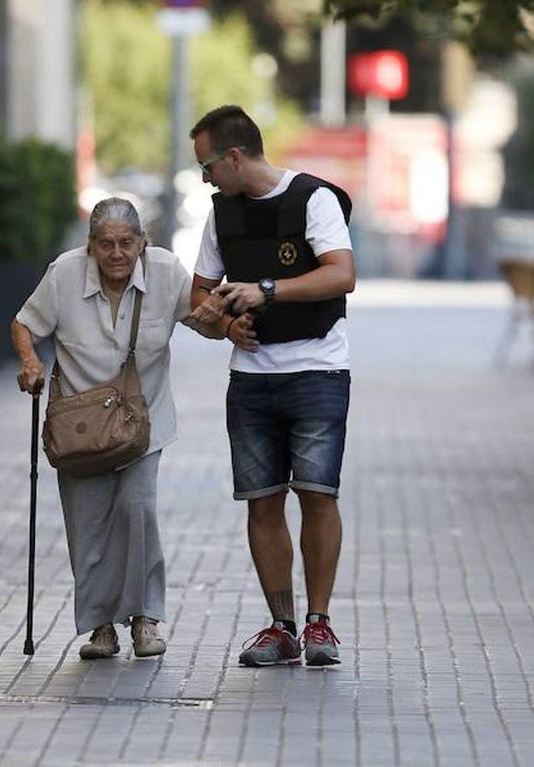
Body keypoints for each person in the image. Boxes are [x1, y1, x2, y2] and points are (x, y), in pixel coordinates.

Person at [187, 105, 355, 667]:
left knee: (318, 494)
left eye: (208, 166)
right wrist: (224, 325)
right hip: (251, 380)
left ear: (234, 157)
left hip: (317, 369)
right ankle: (281, 627)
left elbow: (341, 273)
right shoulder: (221, 215)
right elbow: (198, 294)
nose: (205, 179)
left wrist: (266, 290)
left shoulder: (313, 199)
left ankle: (319, 624)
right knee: (261, 502)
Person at [11, 197, 202, 660]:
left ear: (142, 243)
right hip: (80, 425)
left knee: (137, 509)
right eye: (106, 244)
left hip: (142, 421)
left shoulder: (166, 272)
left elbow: (203, 317)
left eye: (126, 243)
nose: (117, 254)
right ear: (90, 246)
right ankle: (101, 627)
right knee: (89, 523)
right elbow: (24, 324)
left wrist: (230, 323)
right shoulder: (64, 274)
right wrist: (30, 362)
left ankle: (144, 618)